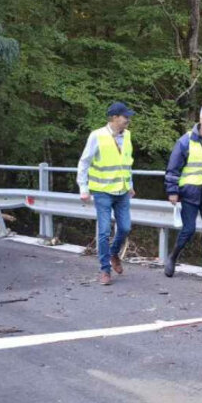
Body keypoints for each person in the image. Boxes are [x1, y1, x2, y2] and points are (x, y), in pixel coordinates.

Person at [164, 105, 202, 283]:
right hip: (190, 192)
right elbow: (173, 168)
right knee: (189, 230)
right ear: (201, 119)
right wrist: (172, 191)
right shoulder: (186, 140)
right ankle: (172, 258)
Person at [77, 102, 136, 285]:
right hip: (102, 191)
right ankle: (105, 270)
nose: (128, 119)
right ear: (114, 118)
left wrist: (130, 184)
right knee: (103, 231)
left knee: (125, 227)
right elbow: (84, 162)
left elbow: (127, 163)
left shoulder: (127, 136)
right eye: (125, 116)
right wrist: (83, 188)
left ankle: (113, 253)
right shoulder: (97, 136)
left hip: (122, 191)